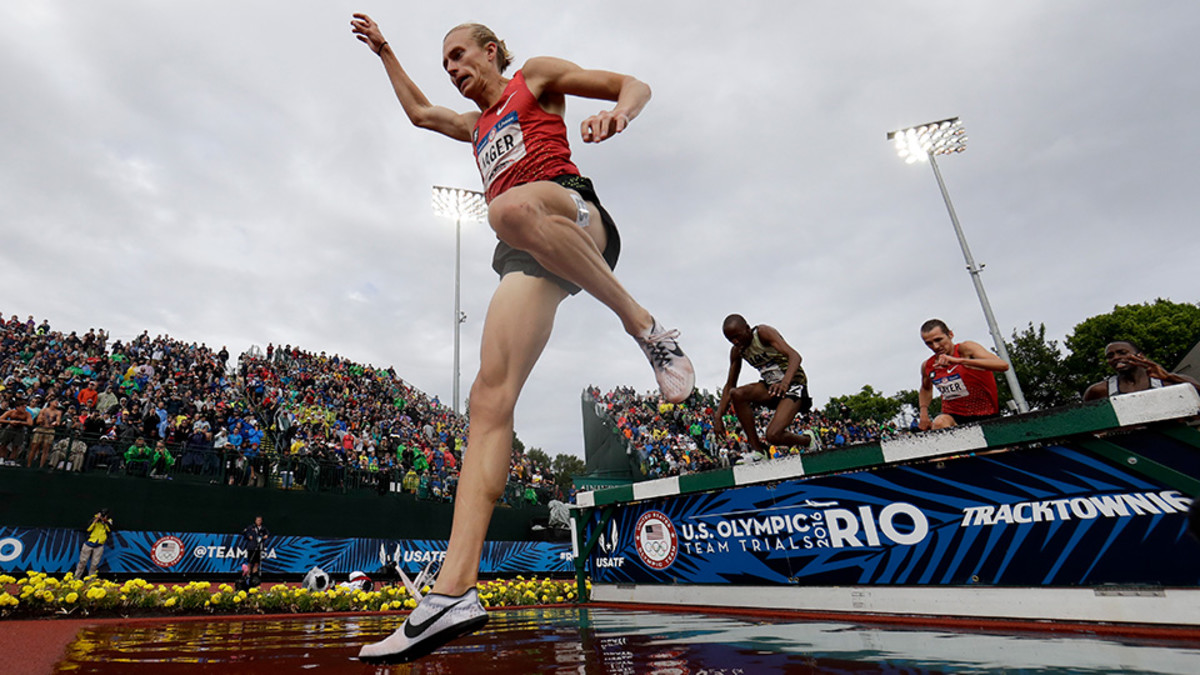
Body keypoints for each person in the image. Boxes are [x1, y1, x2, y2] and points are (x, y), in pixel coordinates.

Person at [349, 14, 696, 663]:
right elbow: (422, 114)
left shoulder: (534, 78)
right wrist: (386, 52)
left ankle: (643, 326)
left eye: (460, 55)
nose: (453, 69)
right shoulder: (476, 126)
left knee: (506, 208)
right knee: (488, 398)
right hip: (527, 252)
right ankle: (453, 592)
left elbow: (634, 83)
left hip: (576, 216)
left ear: (491, 50)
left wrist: (618, 114)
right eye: (446, 63)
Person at [713, 314, 811, 454]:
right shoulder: (737, 350)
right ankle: (758, 450)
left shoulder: (763, 333)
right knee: (737, 394)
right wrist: (718, 416)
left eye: (738, 336)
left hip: (793, 383)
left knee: (773, 435)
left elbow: (795, 356)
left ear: (747, 328)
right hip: (771, 387)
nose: (735, 341)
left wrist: (784, 383)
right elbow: (730, 385)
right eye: (731, 340)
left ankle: (808, 440)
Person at [917, 319, 1009, 430]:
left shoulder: (966, 349)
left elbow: (1003, 365)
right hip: (954, 417)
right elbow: (926, 389)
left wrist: (960, 361)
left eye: (938, 340)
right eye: (929, 343)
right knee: (940, 423)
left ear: (950, 334)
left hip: (986, 414)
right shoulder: (929, 365)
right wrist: (923, 412)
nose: (935, 346)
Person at [1082, 340, 1200, 401]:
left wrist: (1169, 377)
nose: (1116, 358)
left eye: (1122, 353)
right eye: (1110, 356)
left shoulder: (1168, 382)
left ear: (1140, 356)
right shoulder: (1099, 391)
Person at [74, 508, 113, 578]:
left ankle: (90, 580)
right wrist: (96, 519)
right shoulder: (94, 519)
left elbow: (109, 529)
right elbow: (88, 529)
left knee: (94, 564)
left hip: (99, 545)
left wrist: (104, 521)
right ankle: (76, 578)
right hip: (89, 543)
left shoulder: (108, 521)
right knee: (82, 562)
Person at [241, 515, 270, 583]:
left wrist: (266, 536)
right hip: (251, 547)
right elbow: (245, 532)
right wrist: (249, 536)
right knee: (250, 562)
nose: (259, 522)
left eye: (260, 520)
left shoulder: (263, 528)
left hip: (259, 547)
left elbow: (268, 533)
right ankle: (247, 575)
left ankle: (254, 576)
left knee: (257, 563)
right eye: (258, 520)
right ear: (255, 521)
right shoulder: (251, 527)